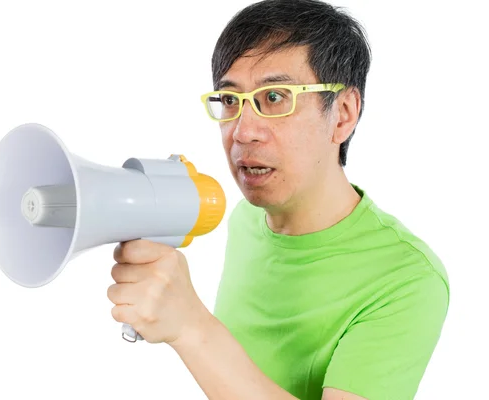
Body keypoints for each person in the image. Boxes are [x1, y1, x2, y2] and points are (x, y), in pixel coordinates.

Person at [106, 0, 450, 399]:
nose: (243, 132)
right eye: (231, 101)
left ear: (342, 114)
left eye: (274, 98)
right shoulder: (246, 218)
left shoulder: (408, 280)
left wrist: (190, 327)